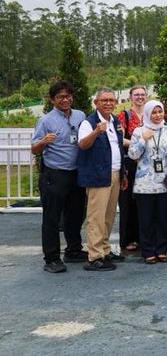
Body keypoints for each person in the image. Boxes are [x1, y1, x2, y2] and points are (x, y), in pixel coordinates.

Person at [31, 81, 87, 273]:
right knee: (52, 218)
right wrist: (43, 141)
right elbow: (34, 149)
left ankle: (73, 250)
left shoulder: (80, 115)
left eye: (68, 96)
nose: (65, 99)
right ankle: (52, 258)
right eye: (60, 97)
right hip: (54, 175)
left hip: (76, 173)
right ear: (52, 99)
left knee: (76, 215)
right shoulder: (46, 121)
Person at [77, 87, 127, 271]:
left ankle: (105, 249)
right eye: (104, 100)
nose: (108, 103)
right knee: (96, 217)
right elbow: (82, 145)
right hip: (98, 175)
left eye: (111, 100)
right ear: (96, 102)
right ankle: (95, 256)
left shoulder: (114, 122)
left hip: (114, 173)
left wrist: (123, 173)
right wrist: (96, 131)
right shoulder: (88, 123)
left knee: (108, 215)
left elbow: (118, 146)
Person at [127, 100, 167, 264]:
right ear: (148, 114)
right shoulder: (139, 131)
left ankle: (162, 249)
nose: (157, 115)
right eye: (154, 112)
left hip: (165, 183)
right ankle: (148, 250)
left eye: (160, 112)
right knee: (146, 219)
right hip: (144, 184)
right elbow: (133, 154)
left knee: (162, 218)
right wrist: (143, 139)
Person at [116, 85, 146, 253]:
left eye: (142, 95)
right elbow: (119, 139)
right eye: (136, 95)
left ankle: (143, 237)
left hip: (147, 165)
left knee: (143, 202)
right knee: (127, 202)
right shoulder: (124, 116)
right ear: (130, 97)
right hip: (129, 163)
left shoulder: (150, 115)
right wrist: (139, 144)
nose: (140, 97)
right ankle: (128, 239)